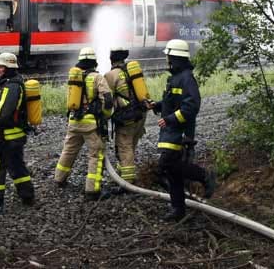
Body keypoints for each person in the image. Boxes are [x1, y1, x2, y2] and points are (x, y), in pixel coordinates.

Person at [148, 39, 216, 221]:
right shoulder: (177, 77)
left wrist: (170, 119)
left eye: (169, 56)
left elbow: (191, 106)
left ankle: (204, 176)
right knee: (172, 171)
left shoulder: (186, 78)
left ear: (175, 58)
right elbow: (173, 102)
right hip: (171, 131)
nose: (167, 59)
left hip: (179, 132)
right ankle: (178, 209)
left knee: (166, 165)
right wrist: (157, 105)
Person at [54, 47, 113, 201]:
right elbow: (107, 99)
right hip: (90, 125)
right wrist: (106, 116)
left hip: (74, 122)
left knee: (69, 151)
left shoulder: (75, 78)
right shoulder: (97, 78)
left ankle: (59, 179)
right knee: (96, 154)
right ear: (94, 62)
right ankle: (92, 191)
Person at [0, 52, 35, 214]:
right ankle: (27, 195)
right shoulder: (11, 84)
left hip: (7, 137)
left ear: (8, 68)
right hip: (15, 135)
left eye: (1, 66)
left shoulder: (11, 87)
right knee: (17, 166)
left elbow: (4, 113)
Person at [104, 47, 147, 184]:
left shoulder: (111, 75)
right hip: (140, 114)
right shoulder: (132, 71)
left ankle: (127, 182)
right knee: (130, 145)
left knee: (124, 147)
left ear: (112, 60)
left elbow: (107, 99)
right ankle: (123, 171)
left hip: (126, 117)